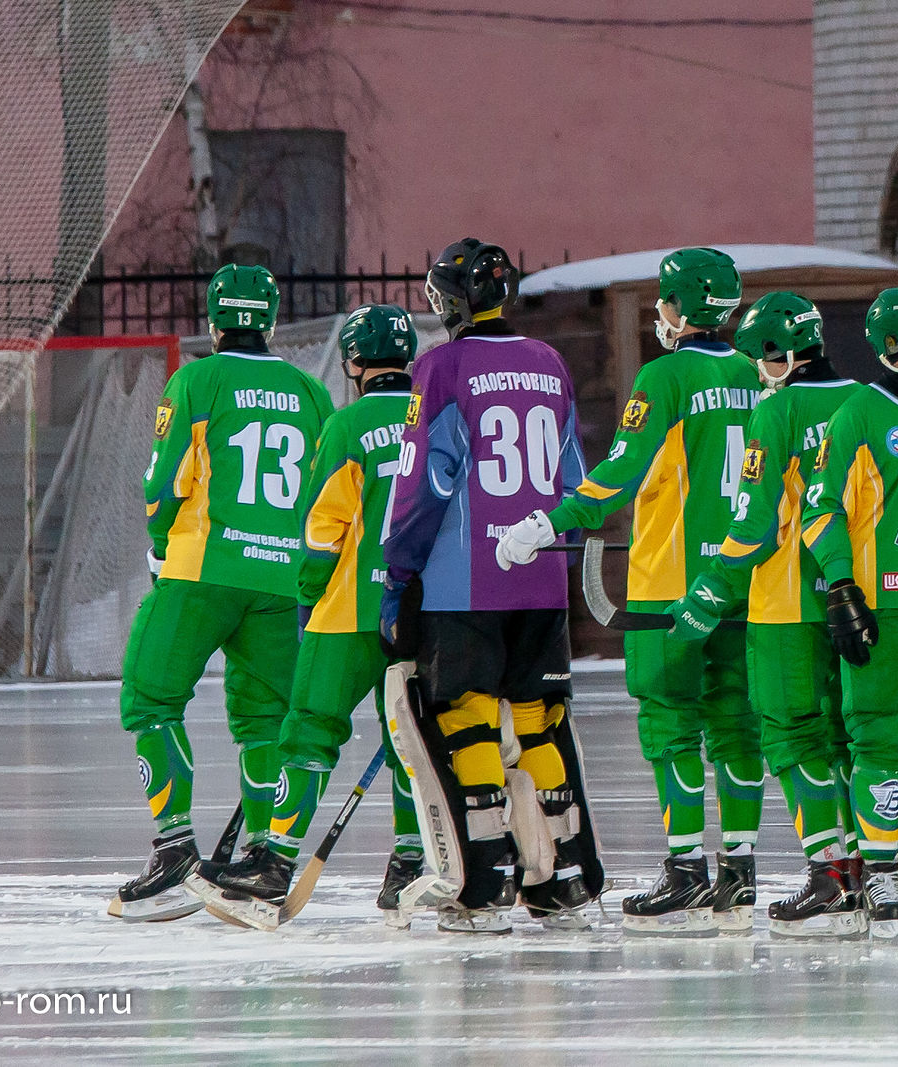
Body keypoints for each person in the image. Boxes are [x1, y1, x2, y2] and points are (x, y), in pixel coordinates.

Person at [497, 247, 764, 935]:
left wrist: (545, 521)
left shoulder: (664, 375)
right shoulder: (755, 375)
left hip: (668, 586)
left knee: (671, 726)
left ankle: (685, 871)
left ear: (678, 307)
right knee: (737, 725)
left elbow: (619, 472)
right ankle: (738, 871)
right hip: (741, 581)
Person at [185, 304, 428, 928]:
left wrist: (309, 593)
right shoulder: (436, 417)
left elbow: (322, 529)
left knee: (310, 731)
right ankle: (409, 862)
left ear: (353, 361)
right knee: (409, 739)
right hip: (424, 610)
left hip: (346, 611)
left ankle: (274, 861)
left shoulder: (347, 425)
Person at [378, 239, 593, 934]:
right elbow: (573, 479)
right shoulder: (550, 362)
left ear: (453, 302)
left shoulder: (440, 366)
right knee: (537, 722)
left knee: (467, 718)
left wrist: (398, 572)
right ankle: (557, 877)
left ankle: (488, 880)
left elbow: (422, 481)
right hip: (540, 578)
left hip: (463, 581)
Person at [108, 264, 334, 921]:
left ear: (213, 320)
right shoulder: (307, 389)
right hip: (283, 578)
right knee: (267, 721)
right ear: (268, 320)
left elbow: (164, 482)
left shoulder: (198, 379)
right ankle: (263, 856)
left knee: (150, 696)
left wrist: (158, 545)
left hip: (201, 570)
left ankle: (175, 843)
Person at [665, 291, 868, 937]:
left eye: (760, 358)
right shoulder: (865, 400)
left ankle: (829, 873)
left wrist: (708, 592)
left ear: (781, 355)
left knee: (791, 735)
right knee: (851, 737)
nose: (757, 370)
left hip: (785, 604)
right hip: (861, 596)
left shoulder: (776, 409)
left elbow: (754, 525)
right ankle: (868, 870)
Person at [798, 286, 898, 938]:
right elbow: (818, 506)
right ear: (897, 346)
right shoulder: (858, 412)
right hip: (885, 604)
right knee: (883, 739)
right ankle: (882, 869)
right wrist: (840, 584)